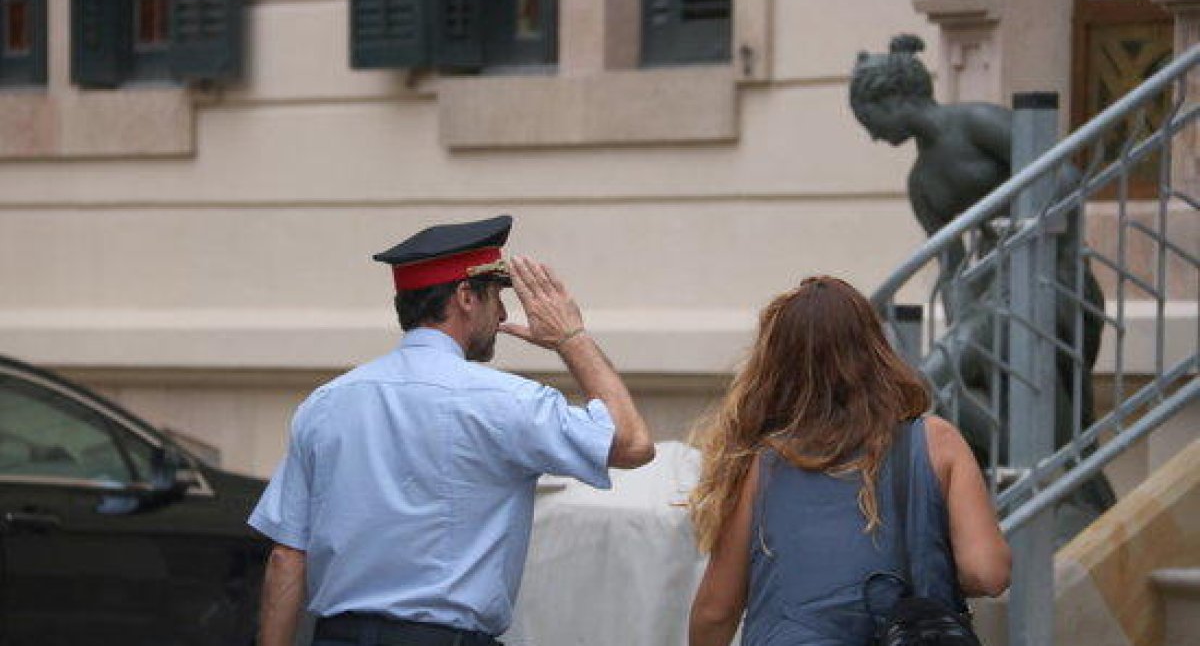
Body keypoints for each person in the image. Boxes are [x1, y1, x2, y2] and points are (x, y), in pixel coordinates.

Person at [248, 214, 655, 646]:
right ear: (465, 296)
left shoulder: (326, 403)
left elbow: (287, 557)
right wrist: (570, 336)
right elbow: (632, 443)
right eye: (496, 297)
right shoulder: (507, 401)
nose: (501, 314)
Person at [849, 35, 1112, 540]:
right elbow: (949, 269)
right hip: (995, 301)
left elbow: (1063, 177)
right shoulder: (922, 182)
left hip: (1053, 282)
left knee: (928, 378)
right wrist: (967, 320)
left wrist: (1019, 240)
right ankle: (1031, 484)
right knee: (946, 385)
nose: (873, 137)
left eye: (870, 122)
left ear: (893, 100)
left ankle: (1051, 486)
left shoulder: (974, 123)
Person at [687, 276, 1010, 646]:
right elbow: (988, 573)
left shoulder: (759, 464)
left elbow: (717, 611)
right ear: (875, 348)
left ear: (773, 366)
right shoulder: (937, 442)